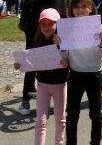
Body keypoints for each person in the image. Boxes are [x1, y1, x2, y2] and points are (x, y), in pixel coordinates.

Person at [57, 0, 102, 145]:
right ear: (72, 9)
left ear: (91, 9)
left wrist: (101, 43)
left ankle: (95, 142)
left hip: (94, 75)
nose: (80, 10)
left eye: (84, 7)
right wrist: (61, 46)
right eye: (76, 7)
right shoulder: (67, 27)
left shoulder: (98, 27)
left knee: (96, 114)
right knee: (72, 114)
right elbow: (64, 57)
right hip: (75, 75)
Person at [19, 0, 67, 116]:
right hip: (58, 28)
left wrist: (23, 24)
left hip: (40, 28)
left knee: (31, 60)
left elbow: (27, 6)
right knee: (56, 61)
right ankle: (55, 95)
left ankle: (25, 100)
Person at [14, 8, 69, 145]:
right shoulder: (36, 41)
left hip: (60, 85)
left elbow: (68, 62)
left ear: (58, 24)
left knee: (60, 119)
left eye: (51, 24)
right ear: (39, 25)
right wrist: (20, 64)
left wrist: (61, 47)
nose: (47, 27)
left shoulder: (63, 41)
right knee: (40, 120)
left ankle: (59, 143)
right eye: (43, 24)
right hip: (42, 86)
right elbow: (30, 62)